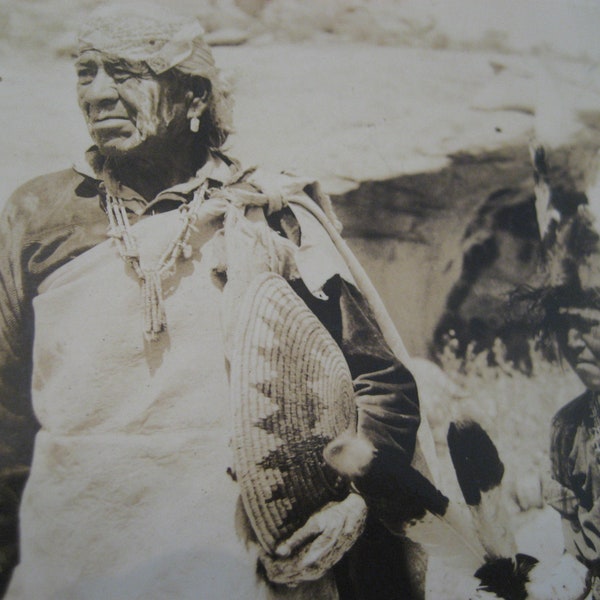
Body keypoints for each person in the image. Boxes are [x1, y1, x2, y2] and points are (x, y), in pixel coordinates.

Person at [0, 3, 435, 599]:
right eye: (85, 71)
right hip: (76, 552)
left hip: (239, 554)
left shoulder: (269, 211)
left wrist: (352, 501)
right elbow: (4, 412)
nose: (98, 92)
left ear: (195, 97)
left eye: (126, 71)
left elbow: (379, 381)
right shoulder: (36, 215)